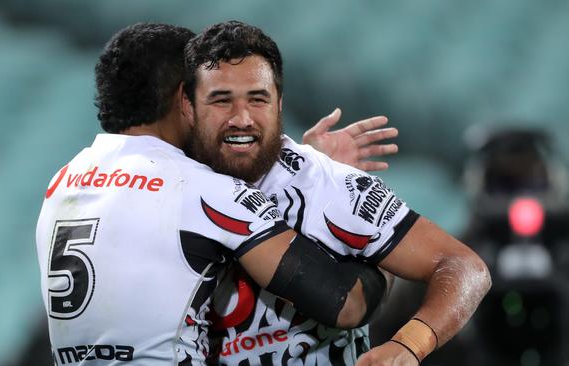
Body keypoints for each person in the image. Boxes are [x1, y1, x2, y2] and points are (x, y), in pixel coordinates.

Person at [35, 23, 389, 365]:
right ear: (185, 98)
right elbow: (347, 304)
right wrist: (371, 238)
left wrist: (306, 161)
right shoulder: (200, 188)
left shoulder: (63, 181)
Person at [181, 21, 492, 366]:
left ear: (279, 104)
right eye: (221, 100)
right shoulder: (161, 180)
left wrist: (408, 346)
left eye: (258, 99)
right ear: (189, 107)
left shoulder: (327, 184)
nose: (242, 118)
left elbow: (466, 267)